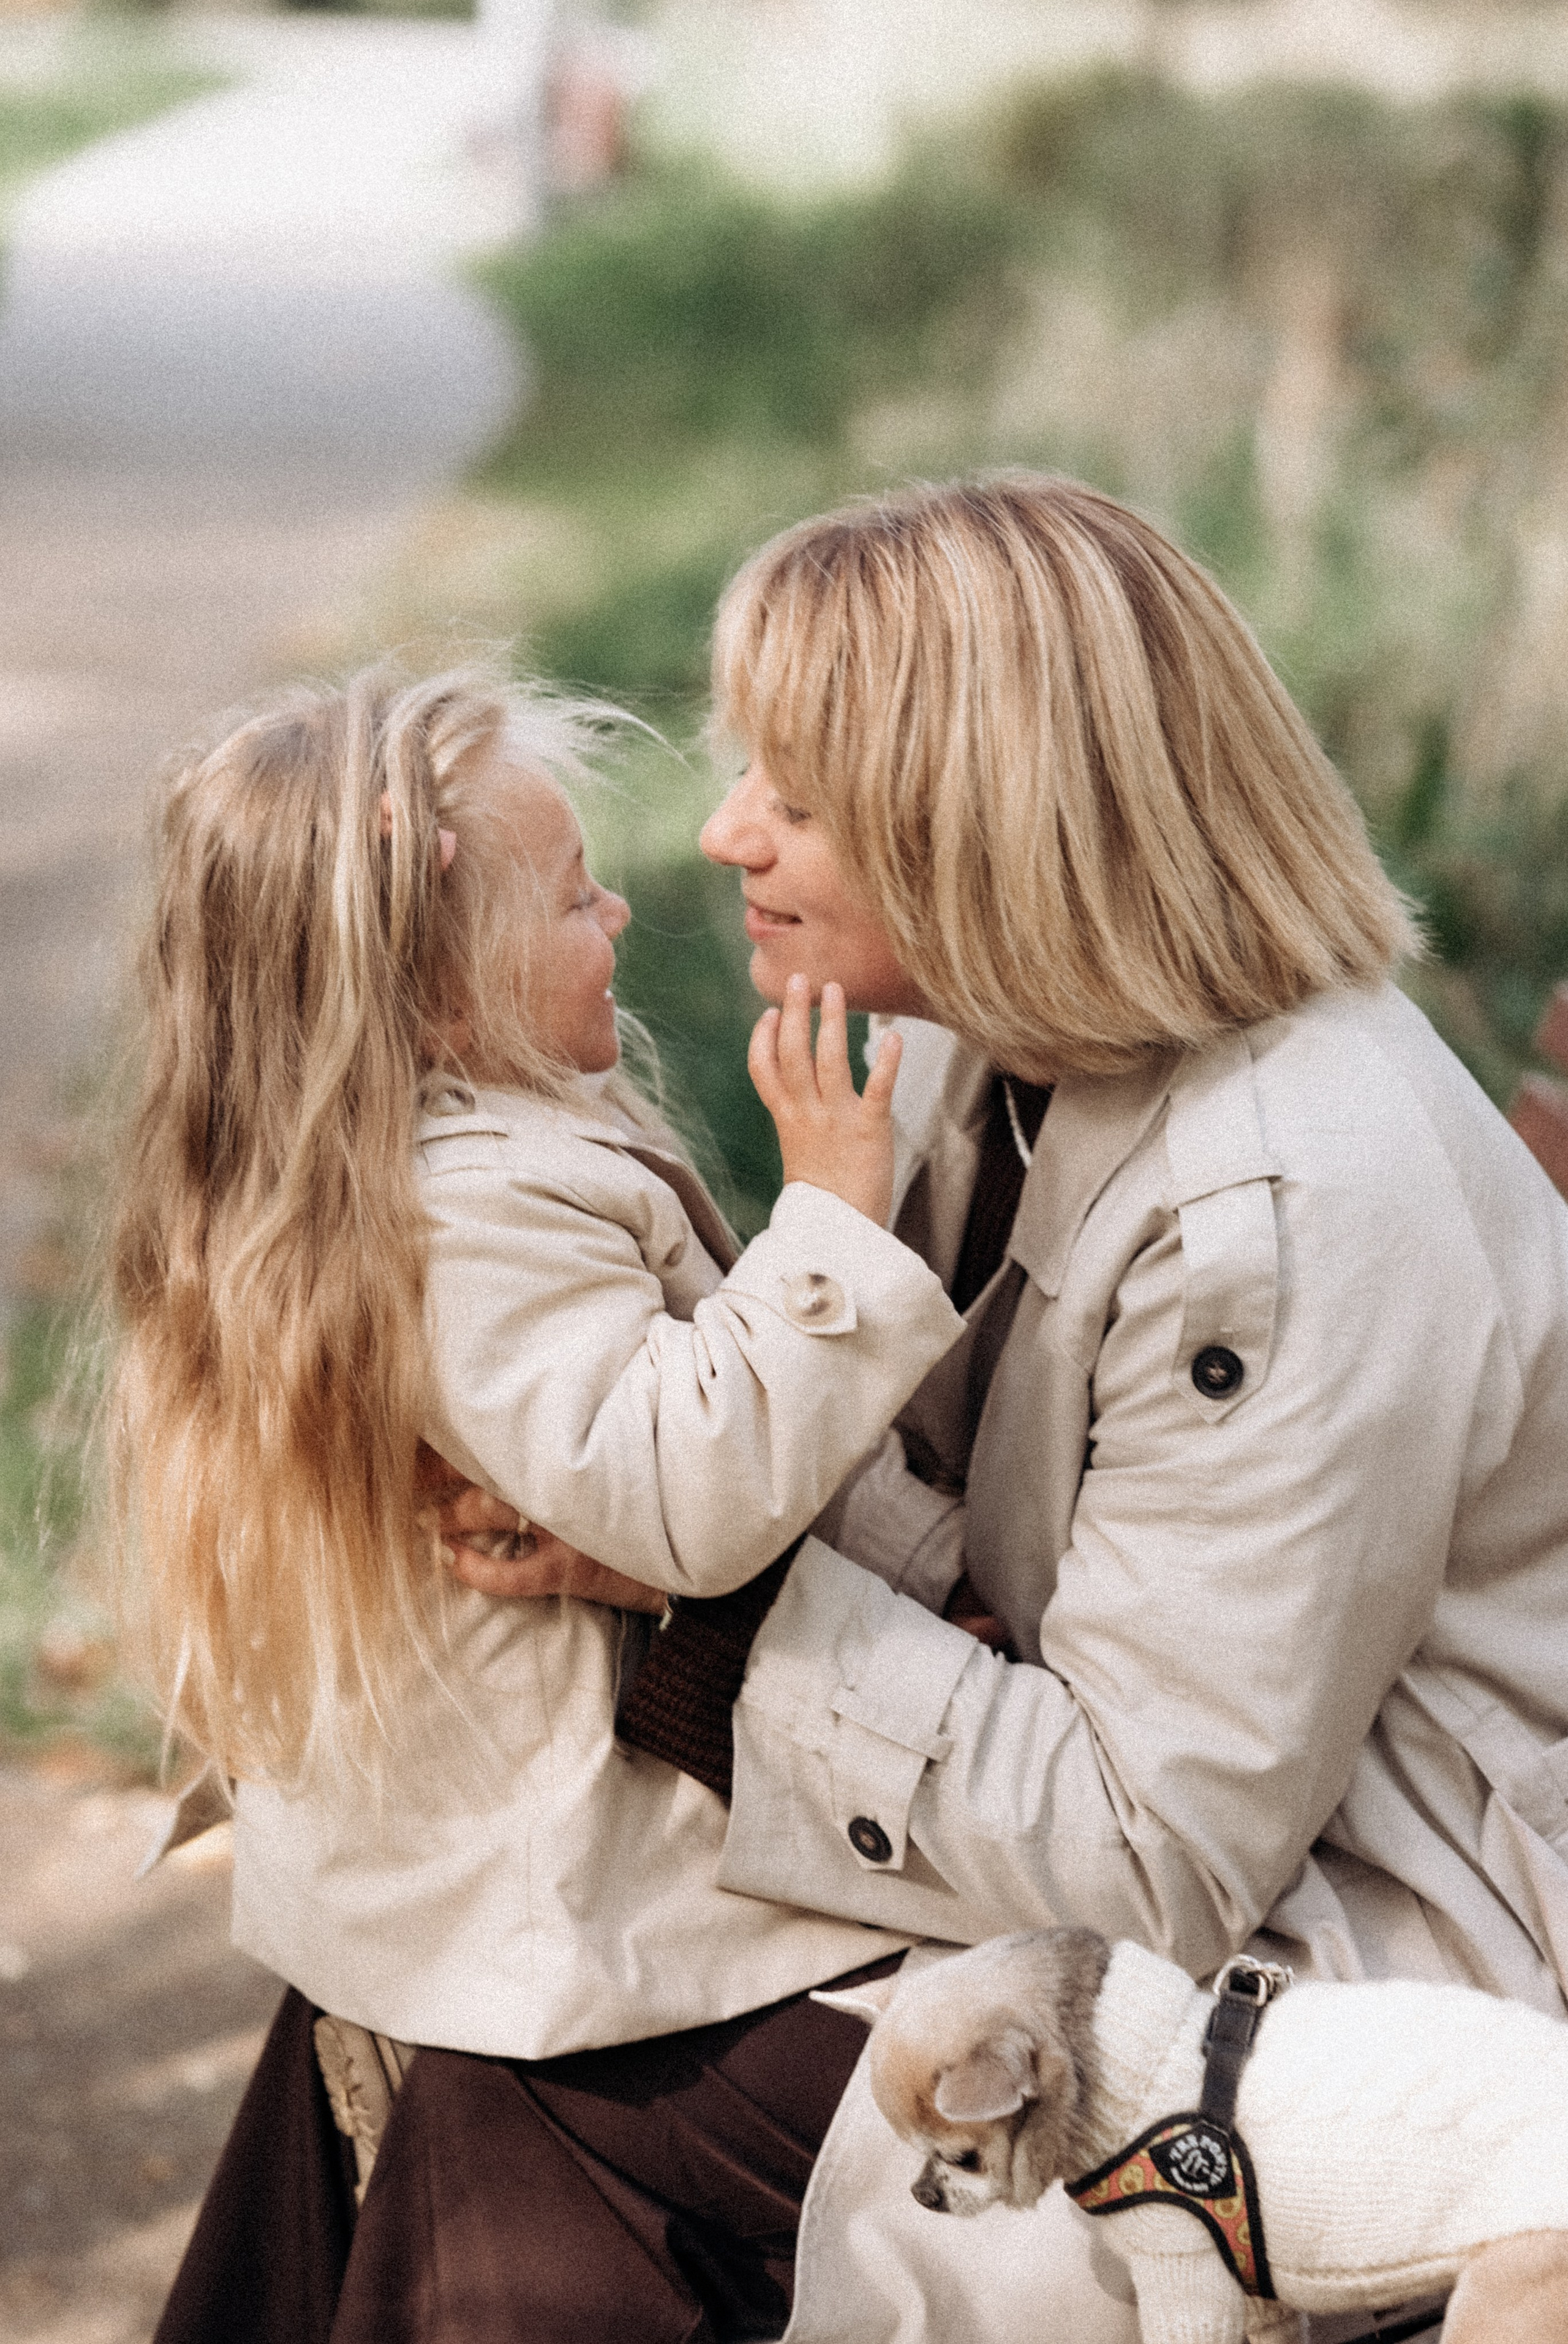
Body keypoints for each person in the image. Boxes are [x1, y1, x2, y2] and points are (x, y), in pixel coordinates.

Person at [439, 475, 1568, 2343]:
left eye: (794, 799)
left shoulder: (1281, 1209)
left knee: (538, 2063)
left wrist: (697, 1612)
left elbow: (1161, 1850)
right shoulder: (1003, 1047)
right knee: (482, 1974)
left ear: (986, 824)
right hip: (1173, 1846)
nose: (726, 834)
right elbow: (997, 1523)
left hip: (1377, 1959)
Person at [111, 666, 990, 2343]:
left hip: (510, 1852)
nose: (617, 906)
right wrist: (830, 1223)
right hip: (575, 1899)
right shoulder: (467, 1217)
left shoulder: (440, 1167)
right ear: (433, 988)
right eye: (572, 892)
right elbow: (689, 1497)